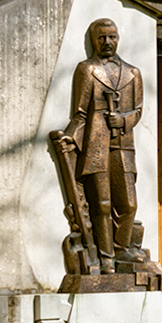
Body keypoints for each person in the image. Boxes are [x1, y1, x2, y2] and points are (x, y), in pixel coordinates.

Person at [56, 18, 145, 267]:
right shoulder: (87, 70)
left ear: (118, 39)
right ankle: (106, 259)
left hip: (123, 146)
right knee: (102, 204)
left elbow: (137, 111)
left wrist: (123, 120)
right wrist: (70, 136)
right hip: (96, 146)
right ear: (94, 40)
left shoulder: (133, 73)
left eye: (112, 37)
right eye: (102, 37)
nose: (107, 42)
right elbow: (80, 112)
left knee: (129, 204)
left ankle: (121, 249)